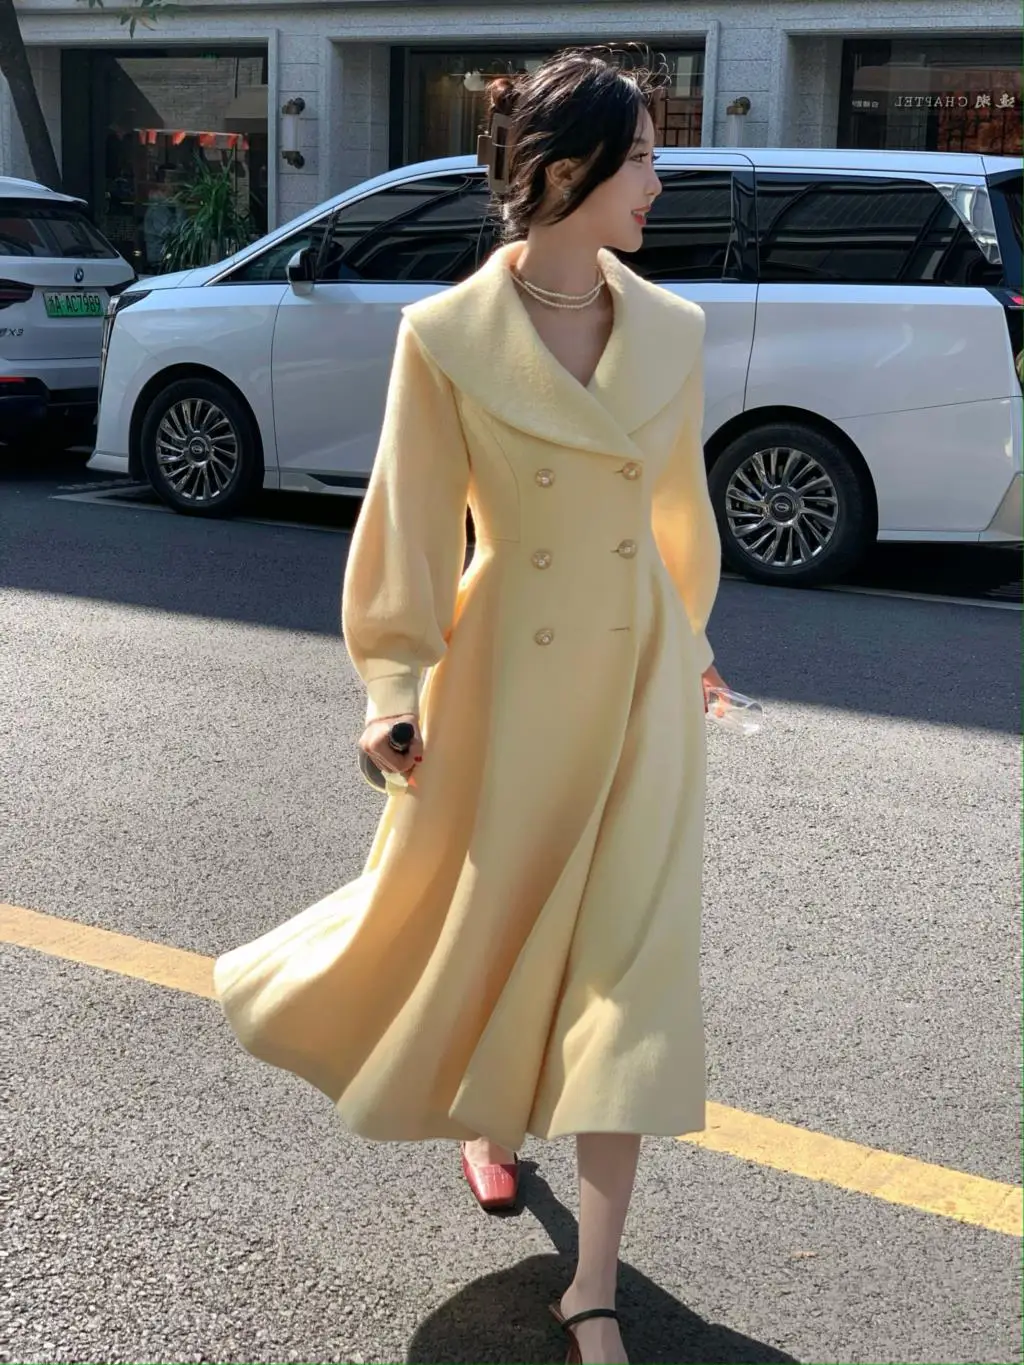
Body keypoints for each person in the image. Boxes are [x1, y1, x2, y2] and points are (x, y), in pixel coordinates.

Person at [213, 46, 729, 1365]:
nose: (658, 185)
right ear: (566, 173)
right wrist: (392, 684)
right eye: (641, 159)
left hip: (639, 692)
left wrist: (692, 643)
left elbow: (679, 518)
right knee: (493, 921)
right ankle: (491, 1119)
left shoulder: (673, 330)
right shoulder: (445, 337)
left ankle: (592, 1288)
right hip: (507, 681)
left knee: (628, 973)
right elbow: (409, 524)